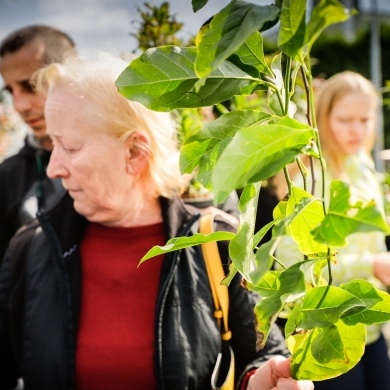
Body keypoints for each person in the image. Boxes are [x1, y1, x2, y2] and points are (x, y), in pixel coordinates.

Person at [0, 55, 313, 390]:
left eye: (71, 147)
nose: (54, 168)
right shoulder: (29, 249)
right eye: (53, 144)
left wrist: (264, 379)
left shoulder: (215, 243)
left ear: (136, 152)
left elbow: (261, 355)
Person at [275, 71, 390, 390]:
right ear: (323, 118)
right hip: (326, 331)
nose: (357, 130)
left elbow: (372, 232)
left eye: (365, 119)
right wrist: (372, 264)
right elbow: (292, 267)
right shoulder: (308, 183)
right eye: (344, 120)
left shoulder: (363, 166)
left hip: (369, 324)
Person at [0, 25, 77, 261]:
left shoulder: (119, 162)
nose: (19, 106)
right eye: (11, 91)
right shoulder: (7, 176)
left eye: (31, 85)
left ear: (70, 78)